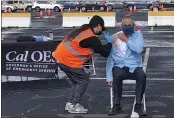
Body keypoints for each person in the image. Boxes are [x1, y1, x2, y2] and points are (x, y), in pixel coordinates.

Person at [52, 15, 113, 114]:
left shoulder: (82, 32)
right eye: (101, 28)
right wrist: (110, 44)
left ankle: (70, 103)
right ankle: (74, 104)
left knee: (76, 82)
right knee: (83, 79)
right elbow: (105, 53)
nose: (101, 31)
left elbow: (97, 48)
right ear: (97, 26)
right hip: (69, 61)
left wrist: (106, 46)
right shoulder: (92, 38)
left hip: (59, 58)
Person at [105, 16, 147, 116]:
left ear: (134, 26)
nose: (127, 27)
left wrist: (126, 40)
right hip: (120, 66)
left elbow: (138, 49)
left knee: (142, 75)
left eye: (129, 25)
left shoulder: (138, 35)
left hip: (134, 66)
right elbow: (110, 58)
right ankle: (116, 105)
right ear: (121, 26)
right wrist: (108, 76)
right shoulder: (114, 37)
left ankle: (138, 105)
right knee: (117, 76)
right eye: (125, 25)